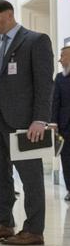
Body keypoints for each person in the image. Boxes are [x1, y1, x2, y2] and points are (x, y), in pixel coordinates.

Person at [0, 0, 53, 245]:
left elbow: (44, 84)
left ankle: (34, 229)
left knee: (31, 176)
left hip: (25, 122)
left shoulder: (35, 41)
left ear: (9, 14)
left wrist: (40, 119)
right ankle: (4, 223)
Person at [51, 46, 70, 202]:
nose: (60, 59)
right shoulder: (59, 78)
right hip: (65, 126)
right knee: (67, 159)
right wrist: (53, 122)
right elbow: (55, 102)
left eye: (62, 56)